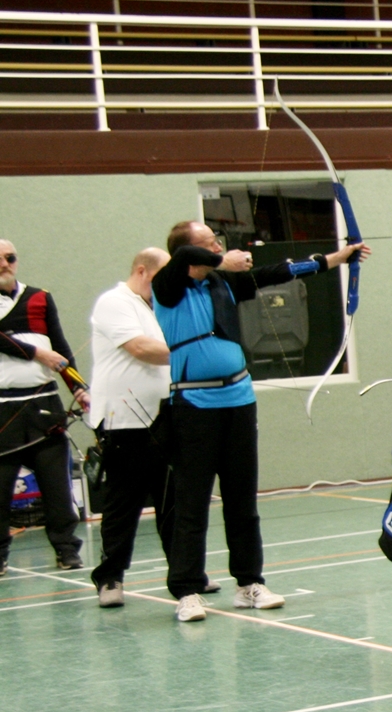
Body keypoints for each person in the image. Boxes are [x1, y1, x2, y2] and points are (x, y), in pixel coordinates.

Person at [154, 220, 369, 623]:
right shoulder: (168, 286)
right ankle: (187, 590)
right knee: (191, 503)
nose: (216, 248)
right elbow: (185, 257)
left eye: (217, 243)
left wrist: (336, 259)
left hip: (238, 400)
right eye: (209, 244)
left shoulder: (223, 283)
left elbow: (279, 272)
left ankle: (249, 583)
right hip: (193, 405)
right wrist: (223, 260)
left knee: (242, 500)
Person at [87, 248, 180, 607]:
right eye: (161, 278)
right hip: (124, 421)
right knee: (123, 504)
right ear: (142, 271)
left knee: (172, 502)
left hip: (163, 417)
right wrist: (191, 350)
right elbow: (141, 348)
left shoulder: (156, 308)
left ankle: (184, 575)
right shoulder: (114, 302)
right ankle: (110, 577)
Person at [0, 239, 90, 574]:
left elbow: (60, 348)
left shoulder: (40, 297)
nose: (4, 264)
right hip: (3, 409)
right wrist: (37, 353)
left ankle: (66, 549)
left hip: (44, 406)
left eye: (10, 258)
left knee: (57, 485)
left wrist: (78, 387)